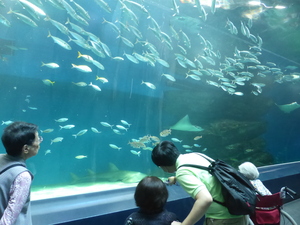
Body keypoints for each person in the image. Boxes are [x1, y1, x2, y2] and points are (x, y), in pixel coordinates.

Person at [151, 141, 247, 225]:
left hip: (223, 219)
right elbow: (207, 174)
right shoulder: (195, 155)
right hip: (238, 210)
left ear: (163, 166)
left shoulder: (182, 172)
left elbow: (205, 199)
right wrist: (176, 178)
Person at [0, 121, 41, 225]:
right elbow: (9, 218)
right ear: (26, 148)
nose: (39, 142)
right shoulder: (22, 176)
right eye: (38, 139)